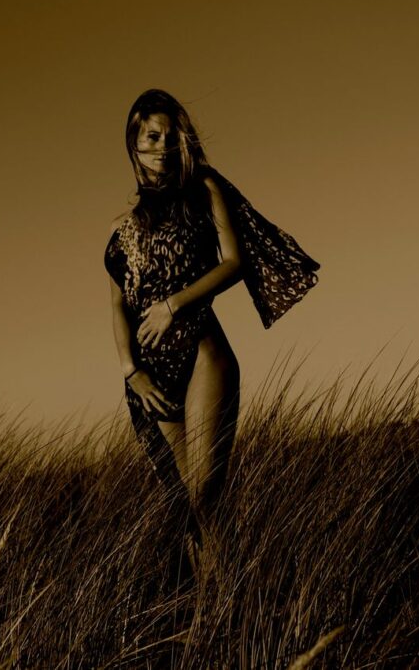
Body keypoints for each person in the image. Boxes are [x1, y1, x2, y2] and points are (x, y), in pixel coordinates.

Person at [103, 89, 320, 585]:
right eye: (151, 136)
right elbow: (116, 305)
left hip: (202, 352)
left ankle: (231, 602)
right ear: (133, 144)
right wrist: (131, 371)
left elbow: (234, 262)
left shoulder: (202, 188)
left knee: (205, 495)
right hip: (152, 376)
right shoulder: (120, 228)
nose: (161, 145)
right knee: (184, 505)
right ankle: (211, 607)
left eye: (169, 136)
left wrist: (173, 304)